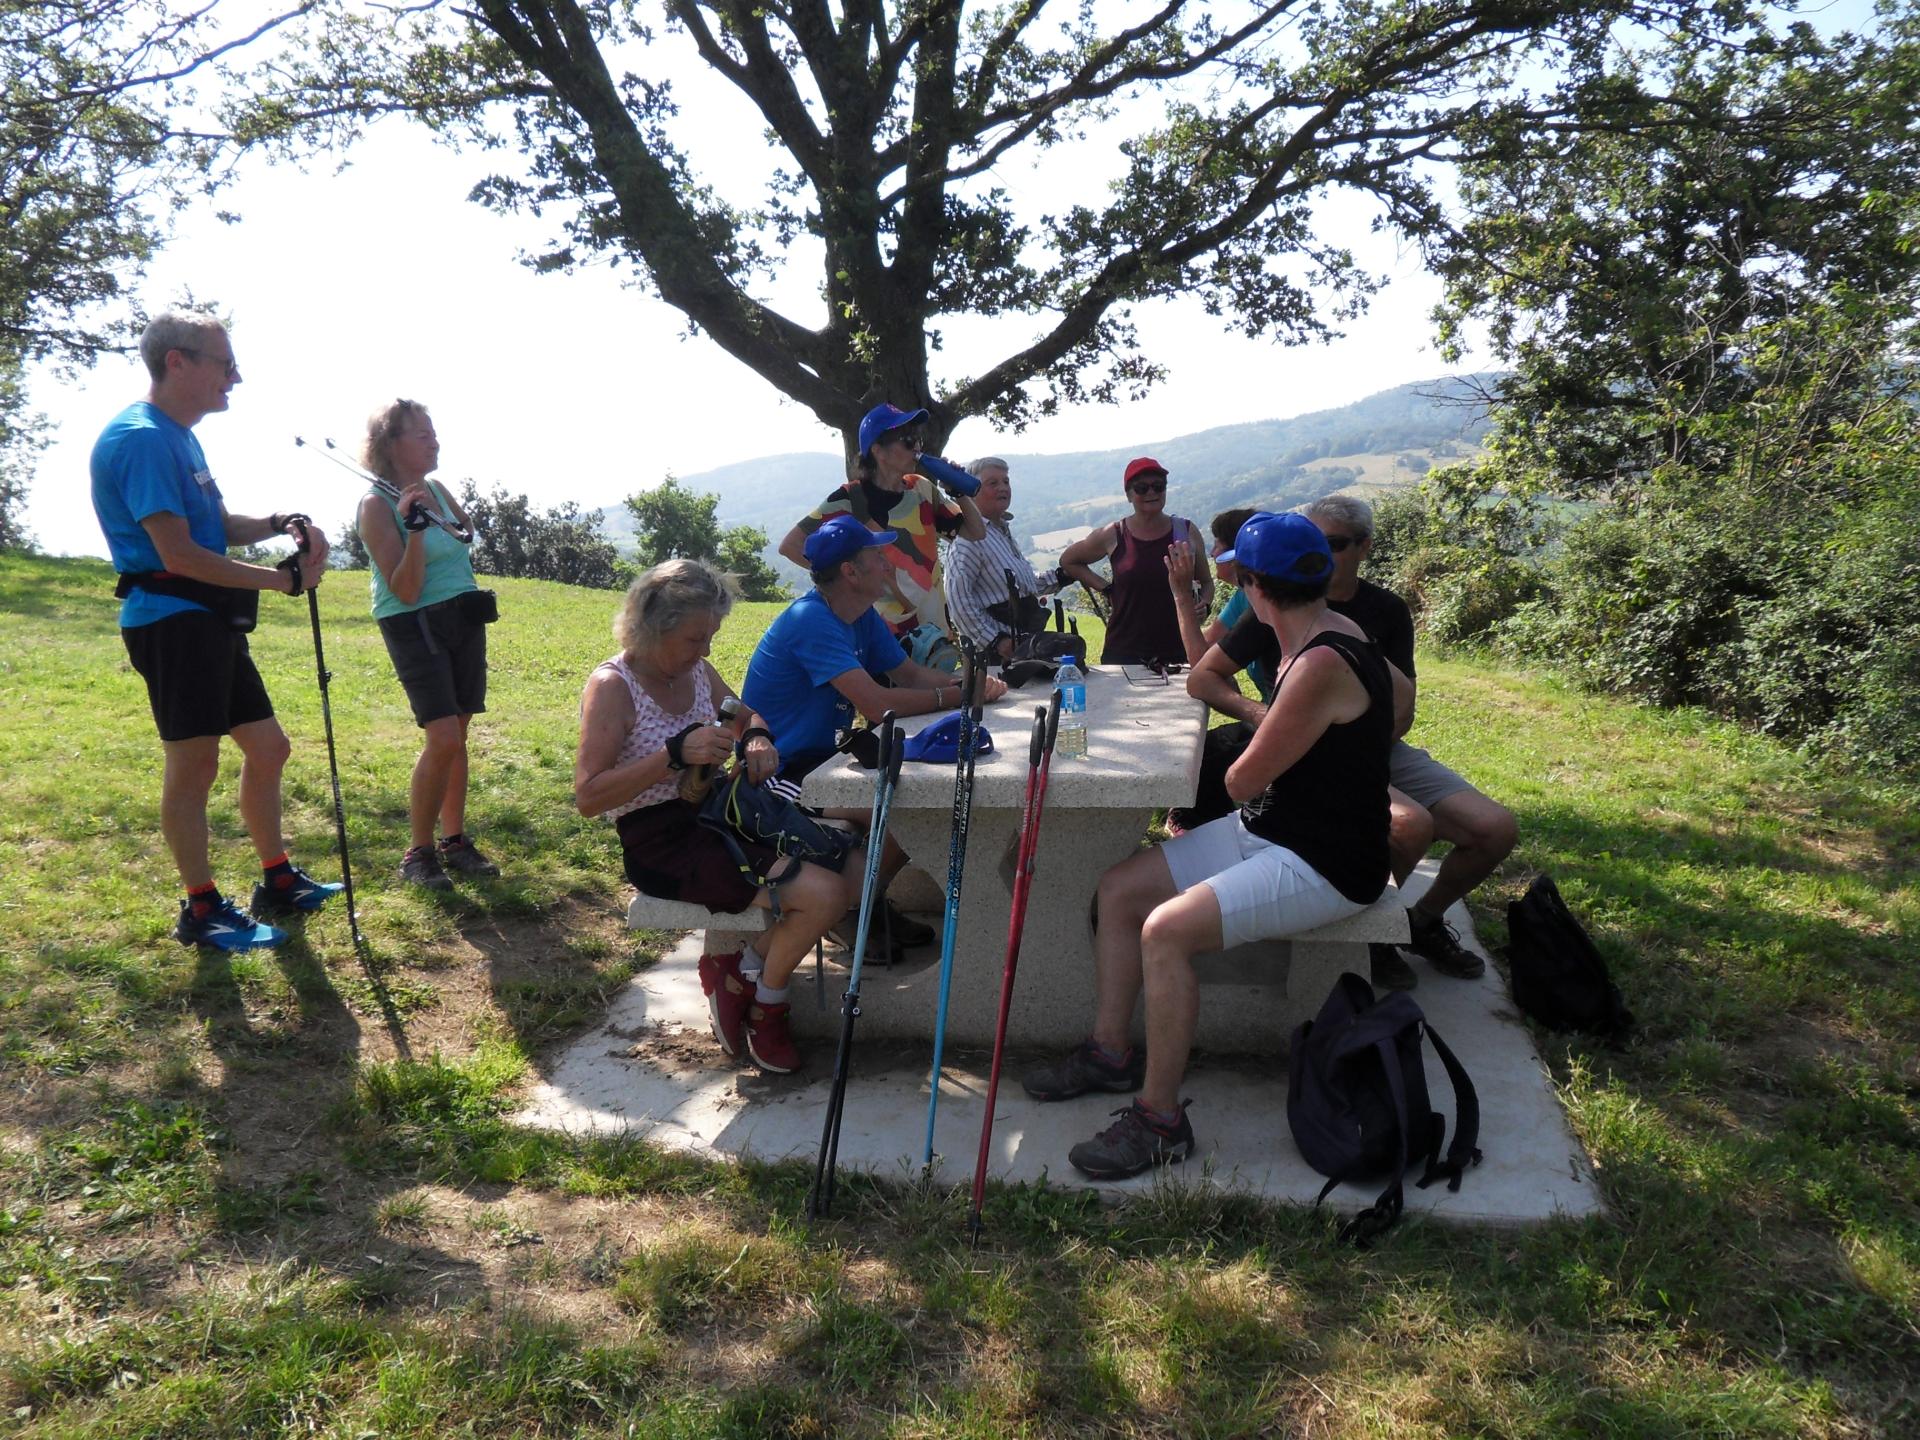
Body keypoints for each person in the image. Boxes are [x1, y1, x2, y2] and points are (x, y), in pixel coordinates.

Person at [1024, 513, 1406, 1179]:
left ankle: (1161, 1119)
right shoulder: (1316, 628)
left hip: (1329, 861)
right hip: (1273, 830)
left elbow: (1238, 778)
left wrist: (1268, 734)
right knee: (1119, 890)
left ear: (1254, 584)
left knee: (1166, 931)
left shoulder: (1322, 659)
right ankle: (1111, 1052)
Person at [90, 307, 340, 952]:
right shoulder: (142, 437)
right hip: (171, 621)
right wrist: (283, 582)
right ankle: (201, 909)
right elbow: (177, 554)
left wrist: (280, 521)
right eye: (225, 364)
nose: (236, 377)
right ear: (178, 362)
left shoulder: (178, 436)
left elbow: (215, 524)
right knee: (195, 763)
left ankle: (276, 879)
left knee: (268, 747)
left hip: (204, 621)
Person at [576, 560, 853, 1073]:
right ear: (649, 627)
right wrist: (674, 753)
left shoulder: (697, 671)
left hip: (720, 810)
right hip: (663, 841)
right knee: (827, 892)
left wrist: (756, 738)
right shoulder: (613, 686)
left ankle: (739, 970)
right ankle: (767, 1005)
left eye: (710, 637)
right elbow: (590, 796)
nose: (705, 650)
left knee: (859, 850)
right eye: (692, 639)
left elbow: (747, 715)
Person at [744, 514, 1008, 957]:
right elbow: (875, 704)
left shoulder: (860, 614)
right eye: (877, 556)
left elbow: (905, 672)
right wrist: (958, 696)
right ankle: (850, 911)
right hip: (780, 773)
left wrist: (968, 685)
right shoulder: (812, 620)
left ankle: (862, 907)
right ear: (851, 571)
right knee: (907, 811)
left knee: (913, 807)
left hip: (823, 763)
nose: (889, 564)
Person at [1296, 495, 1518, 986]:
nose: (1320, 553)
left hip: (1379, 750)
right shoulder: (1285, 597)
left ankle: (1419, 923)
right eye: (1312, 541)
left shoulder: (1387, 610)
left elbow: (1405, 707)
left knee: (1494, 830)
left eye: (1332, 544)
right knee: (1407, 826)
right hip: (1304, 755)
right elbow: (1208, 673)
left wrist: (1367, 748)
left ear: (1364, 547)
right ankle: (1369, 935)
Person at [356, 399, 496, 890]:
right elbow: (405, 588)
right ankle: (418, 852)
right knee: (442, 738)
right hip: (413, 621)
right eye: (422, 435)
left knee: (458, 734)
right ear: (391, 444)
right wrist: (414, 531)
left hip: (461, 614)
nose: (434, 441)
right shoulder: (376, 507)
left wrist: (437, 517)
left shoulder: (435, 488)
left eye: (433, 432)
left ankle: (454, 841)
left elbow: (464, 532)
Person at [777, 404, 987, 640]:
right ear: (878, 450)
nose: (917, 447)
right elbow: (791, 546)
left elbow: (976, 532)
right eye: (908, 440)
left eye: (918, 439)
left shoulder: (922, 488)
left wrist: (959, 492)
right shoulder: (849, 499)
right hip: (881, 636)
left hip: (934, 632)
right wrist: (848, 578)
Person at [1057, 457, 1212, 666]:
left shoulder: (1186, 531)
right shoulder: (1114, 534)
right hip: (1124, 650)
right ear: (1129, 495)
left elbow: (1207, 582)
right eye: (1141, 488)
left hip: (1181, 650)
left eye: (1158, 486)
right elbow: (1069, 560)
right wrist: (1106, 589)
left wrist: (1206, 604)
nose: (1151, 492)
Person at [942, 455, 1063, 660]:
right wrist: (996, 641)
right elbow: (958, 603)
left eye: (1006, 481)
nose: (1003, 487)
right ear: (971, 492)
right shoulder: (967, 541)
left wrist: (1062, 575)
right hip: (997, 659)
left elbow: (1024, 584)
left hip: (1025, 644)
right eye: (993, 483)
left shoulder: (1000, 532)